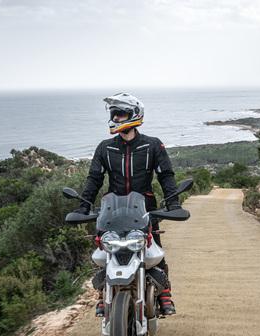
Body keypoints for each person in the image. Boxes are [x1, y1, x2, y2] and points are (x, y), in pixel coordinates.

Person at [75, 92, 181, 317]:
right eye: (114, 114)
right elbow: (94, 179)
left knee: (155, 252)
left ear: (134, 115)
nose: (116, 118)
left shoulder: (153, 145)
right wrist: (84, 205)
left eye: (120, 114)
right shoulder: (105, 148)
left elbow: (166, 175)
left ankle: (164, 294)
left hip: (145, 210)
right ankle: (104, 292)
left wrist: (173, 203)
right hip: (112, 211)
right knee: (106, 252)